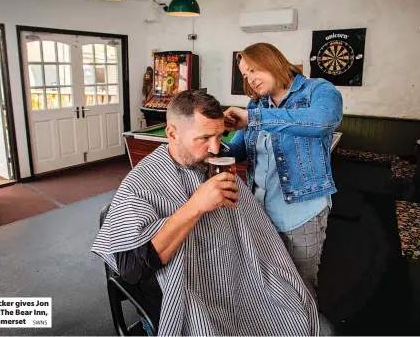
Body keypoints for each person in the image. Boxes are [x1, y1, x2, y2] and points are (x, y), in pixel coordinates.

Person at [92, 90, 331, 336]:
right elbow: (132, 270)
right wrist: (196, 206)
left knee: (308, 323)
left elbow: (250, 231)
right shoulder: (141, 184)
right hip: (188, 293)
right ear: (172, 134)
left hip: (239, 279)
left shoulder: (214, 167)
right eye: (204, 137)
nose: (216, 148)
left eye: (220, 136)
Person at [223, 43, 343, 292]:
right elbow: (238, 151)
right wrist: (210, 139)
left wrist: (254, 119)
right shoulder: (257, 105)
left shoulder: (318, 90)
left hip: (302, 213)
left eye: (254, 70)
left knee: (301, 284)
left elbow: (322, 122)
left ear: (272, 60)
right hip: (259, 211)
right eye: (246, 75)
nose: (250, 80)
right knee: (266, 279)